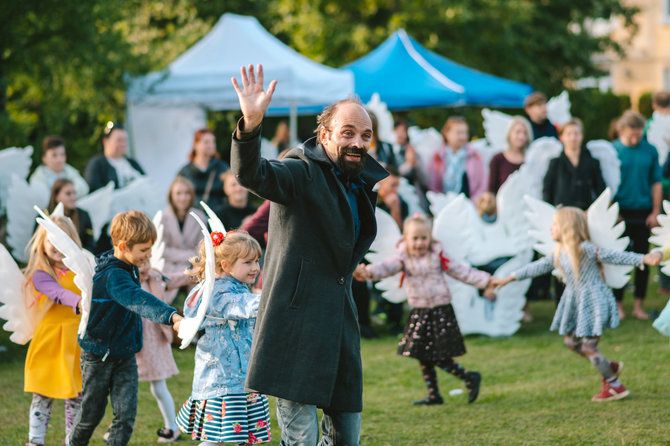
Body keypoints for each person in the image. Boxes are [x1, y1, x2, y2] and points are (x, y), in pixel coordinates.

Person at [230, 64, 388, 445]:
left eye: (365, 135)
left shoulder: (361, 181)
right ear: (325, 135)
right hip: (295, 330)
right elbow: (254, 175)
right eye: (347, 132)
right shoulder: (301, 169)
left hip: (339, 327)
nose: (357, 142)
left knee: (346, 438)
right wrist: (250, 126)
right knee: (301, 441)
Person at [493, 207, 659, 401]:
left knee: (589, 347)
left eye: (555, 225)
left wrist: (643, 258)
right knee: (571, 342)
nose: (551, 229)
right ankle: (609, 366)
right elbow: (535, 267)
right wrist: (508, 278)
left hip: (593, 301)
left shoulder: (585, 248)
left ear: (567, 227)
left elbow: (613, 255)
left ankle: (615, 386)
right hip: (578, 302)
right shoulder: (559, 252)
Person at [67, 210, 183, 446]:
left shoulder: (129, 264)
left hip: (125, 354)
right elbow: (137, 298)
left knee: (126, 416)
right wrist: (171, 316)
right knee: (91, 415)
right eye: (143, 250)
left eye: (150, 249)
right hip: (98, 355)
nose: (148, 255)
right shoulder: (113, 275)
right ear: (122, 246)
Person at [354, 214, 493, 405]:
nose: (419, 243)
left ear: (430, 238)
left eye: (423, 238)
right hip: (420, 311)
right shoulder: (403, 258)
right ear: (406, 239)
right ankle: (434, 394)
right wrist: (368, 272)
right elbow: (386, 267)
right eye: (415, 238)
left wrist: (486, 281)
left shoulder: (438, 256)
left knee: (436, 354)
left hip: (439, 310)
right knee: (422, 353)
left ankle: (468, 376)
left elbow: (461, 271)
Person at [176, 230, 271, 445]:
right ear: (226, 265)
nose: (256, 267)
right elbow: (238, 306)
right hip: (223, 380)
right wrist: (271, 298)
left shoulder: (234, 285)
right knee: (215, 440)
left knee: (245, 437)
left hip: (241, 376)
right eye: (248, 262)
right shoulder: (218, 291)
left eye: (257, 260)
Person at [23, 216, 84, 446]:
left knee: (76, 396)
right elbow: (57, 293)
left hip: (75, 343)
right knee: (42, 396)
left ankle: (72, 441)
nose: (57, 246)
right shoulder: (41, 274)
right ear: (42, 243)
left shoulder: (80, 271)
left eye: (63, 239)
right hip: (49, 343)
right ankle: (35, 441)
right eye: (52, 240)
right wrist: (80, 301)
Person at [612, 110, 663, 320]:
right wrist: (612, 211)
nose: (635, 139)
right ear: (621, 131)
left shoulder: (650, 150)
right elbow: (606, 183)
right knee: (619, 260)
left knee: (644, 259)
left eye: (638, 135)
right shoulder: (612, 150)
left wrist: (655, 211)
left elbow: (656, 182)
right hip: (620, 212)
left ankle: (639, 306)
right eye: (631, 135)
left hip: (644, 212)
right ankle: (619, 306)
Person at [135, 260, 190, 443]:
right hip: (133, 339)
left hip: (154, 339)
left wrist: (197, 272)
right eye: (139, 263)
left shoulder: (156, 277)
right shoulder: (124, 280)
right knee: (124, 386)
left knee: (159, 386)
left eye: (147, 261)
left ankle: (171, 428)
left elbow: (176, 279)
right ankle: (117, 425)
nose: (144, 267)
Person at [543, 118, 606, 210]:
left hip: (585, 214)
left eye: (576, 133)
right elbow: (547, 192)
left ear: (582, 135)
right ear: (561, 137)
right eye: (568, 134)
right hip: (561, 215)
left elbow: (601, 191)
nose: (573, 138)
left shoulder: (592, 163)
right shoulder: (555, 163)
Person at [161, 176, 205, 302]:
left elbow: (202, 249)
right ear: (171, 196)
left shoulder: (200, 216)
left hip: (194, 264)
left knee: (198, 277)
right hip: (170, 266)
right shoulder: (163, 217)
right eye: (178, 194)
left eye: (187, 193)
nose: (183, 198)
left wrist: (192, 258)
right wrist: (187, 255)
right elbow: (162, 250)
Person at [427, 116, 487, 201]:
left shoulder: (475, 156)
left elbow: (482, 186)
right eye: (459, 133)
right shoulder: (437, 157)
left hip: (468, 205)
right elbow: (433, 186)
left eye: (465, 133)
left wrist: (471, 205)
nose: (463, 137)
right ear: (447, 134)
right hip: (443, 205)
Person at [177, 128, 230, 210]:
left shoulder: (222, 168)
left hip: (217, 217)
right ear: (196, 145)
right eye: (206, 142)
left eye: (213, 142)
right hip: (192, 217)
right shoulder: (185, 172)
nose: (211, 145)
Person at [84, 122, 145, 192]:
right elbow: (95, 190)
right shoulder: (97, 164)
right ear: (106, 141)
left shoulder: (132, 163)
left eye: (125, 140)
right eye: (119, 141)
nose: (123, 144)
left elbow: (146, 181)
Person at [47, 178, 95, 252]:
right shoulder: (46, 215)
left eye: (74, 193)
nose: (73, 197)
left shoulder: (83, 215)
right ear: (56, 196)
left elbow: (91, 244)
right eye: (68, 194)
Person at [488, 116, 532, 194]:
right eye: (518, 132)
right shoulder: (497, 159)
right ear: (509, 134)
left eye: (525, 133)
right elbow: (491, 191)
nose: (521, 137)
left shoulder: (530, 160)